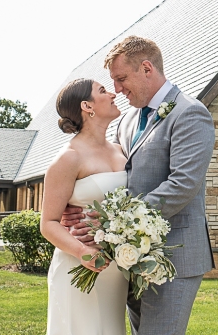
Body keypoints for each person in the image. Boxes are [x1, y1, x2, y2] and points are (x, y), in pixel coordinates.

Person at [62, 36, 216, 335]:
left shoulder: (190, 113)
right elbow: (113, 175)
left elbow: (183, 185)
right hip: (127, 258)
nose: (117, 90)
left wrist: (112, 221)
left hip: (173, 257)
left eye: (121, 79)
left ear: (146, 68)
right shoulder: (127, 120)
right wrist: (78, 207)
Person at [40, 78, 129, 335]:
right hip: (80, 266)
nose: (113, 93)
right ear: (87, 106)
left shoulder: (120, 150)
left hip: (116, 269)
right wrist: (83, 252)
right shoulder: (69, 158)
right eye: (103, 91)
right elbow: (48, 223)